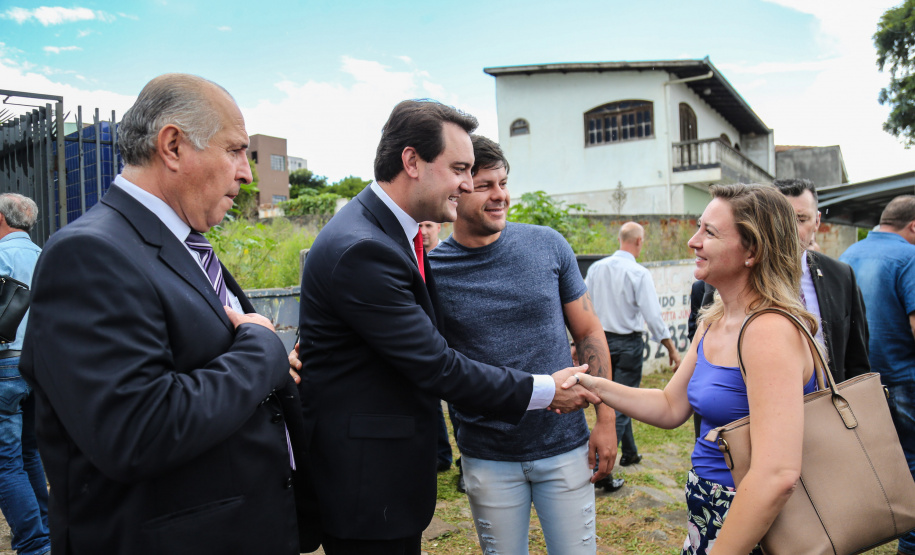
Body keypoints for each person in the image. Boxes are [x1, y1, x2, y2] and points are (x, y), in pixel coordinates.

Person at [19, 74, 317, 555]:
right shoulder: (89, 254)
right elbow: (137, 430)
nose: (246, 173)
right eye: (236, 150)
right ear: (173, 145)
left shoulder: (179, 243)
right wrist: (262, 353)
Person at [295, 99, 598, 555]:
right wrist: (545, 390)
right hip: (368, 484)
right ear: (412, 161)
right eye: (460, 168)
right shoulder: (365, 246)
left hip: (382, 480)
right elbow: (435, 363)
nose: (467, 183)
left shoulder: (393, 234)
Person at [569, 183, 818, 554]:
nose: (692, 240)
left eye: (709, 232)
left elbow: (776, 476)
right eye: (699, 226)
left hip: (755, 521)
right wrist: (592, 385)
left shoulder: (768, 331)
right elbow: (671, 405)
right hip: (711, 507)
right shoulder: (715, 319)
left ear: (752, 250)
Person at [428, 135, 616, 553]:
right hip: (487, 453)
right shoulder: (431, 272)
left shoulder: (547, 244)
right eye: (485, 187)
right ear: (457, 192)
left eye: (504, 183)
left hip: (565, 445)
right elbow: (434, 364)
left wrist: (606, 421)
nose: (501, 196)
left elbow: (587, 332)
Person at [839, 194, 915, 555]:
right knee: (911, 463)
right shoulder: (909, 257)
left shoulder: (847, 256)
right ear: (913, 226)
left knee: (868, 464)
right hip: (903, 380)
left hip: (858, 385)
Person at [584, 222, 682, 467]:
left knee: (613, 399)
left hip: (601, 342)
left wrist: (579, 342)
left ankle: (630, 452)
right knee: (622, 407)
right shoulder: (638, 272)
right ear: (639, 242)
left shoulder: (596, 268)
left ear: (620, 239)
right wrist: (670, 348)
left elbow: (584, 307)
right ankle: (601, 465)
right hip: (627, 345)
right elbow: (653, 316)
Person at [771, 178, 870, 381]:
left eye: (801, 219)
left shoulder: (841, 276)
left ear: (816, 221)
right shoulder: (736, 276)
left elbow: (856, 359)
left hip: (829, 406)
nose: (791, 229)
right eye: (781, 218)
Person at [0, 194, 49, 555]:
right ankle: (47, 530)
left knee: (5, 463)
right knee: (30, 453)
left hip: (4, 367)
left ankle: (34, 545)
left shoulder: (1, 255)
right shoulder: (46, 256)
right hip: (38, 366)